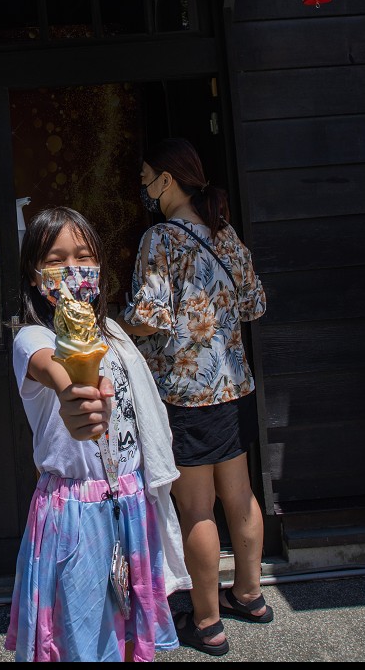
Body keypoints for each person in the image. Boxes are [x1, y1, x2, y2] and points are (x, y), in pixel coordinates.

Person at [4, 206, 191, 663]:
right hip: (75, 512)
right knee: (82, 641)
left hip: (129, 503)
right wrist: (76, 401)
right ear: (34, 274)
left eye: (83, 256)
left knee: (128, 635)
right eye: (56, 259)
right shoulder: (31, 337)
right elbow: (56, 369)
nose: (72, 270)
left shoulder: (112, 335)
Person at [115, 138, 270, 657]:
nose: (143, 186)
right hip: (233, 386)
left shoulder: (160, 239)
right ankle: (249, 595)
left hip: (186, 393)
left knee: (197, 510)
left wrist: (109, 324)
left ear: (168, 179)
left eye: (146, 176)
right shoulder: (225, 235)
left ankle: (207, 622)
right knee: (240, 496)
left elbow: (150, 316)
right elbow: (255, 305)